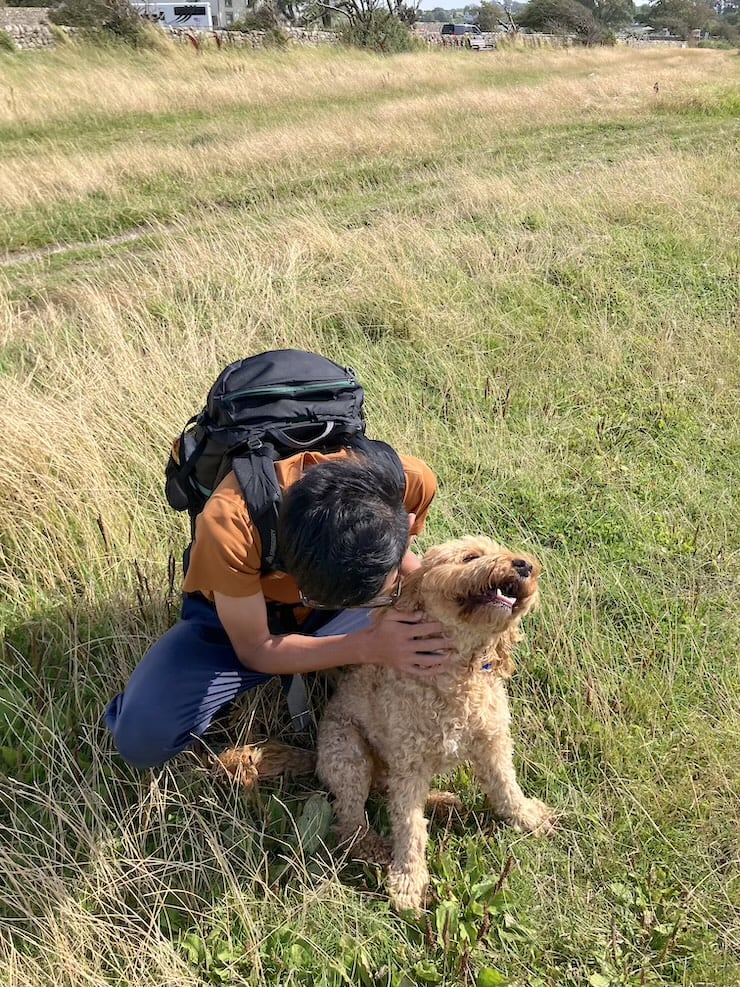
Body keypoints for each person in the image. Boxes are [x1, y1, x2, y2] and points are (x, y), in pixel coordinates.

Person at [104, 449, 454, 769]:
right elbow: (255, 648)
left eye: (372, 596)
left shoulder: (410, 481)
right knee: (141, 739)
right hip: (235, 623)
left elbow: (404, 563)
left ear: (404, 522)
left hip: (336, 613)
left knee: (443, 633)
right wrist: (371, 645)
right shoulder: (230, 523)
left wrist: (434, 614)